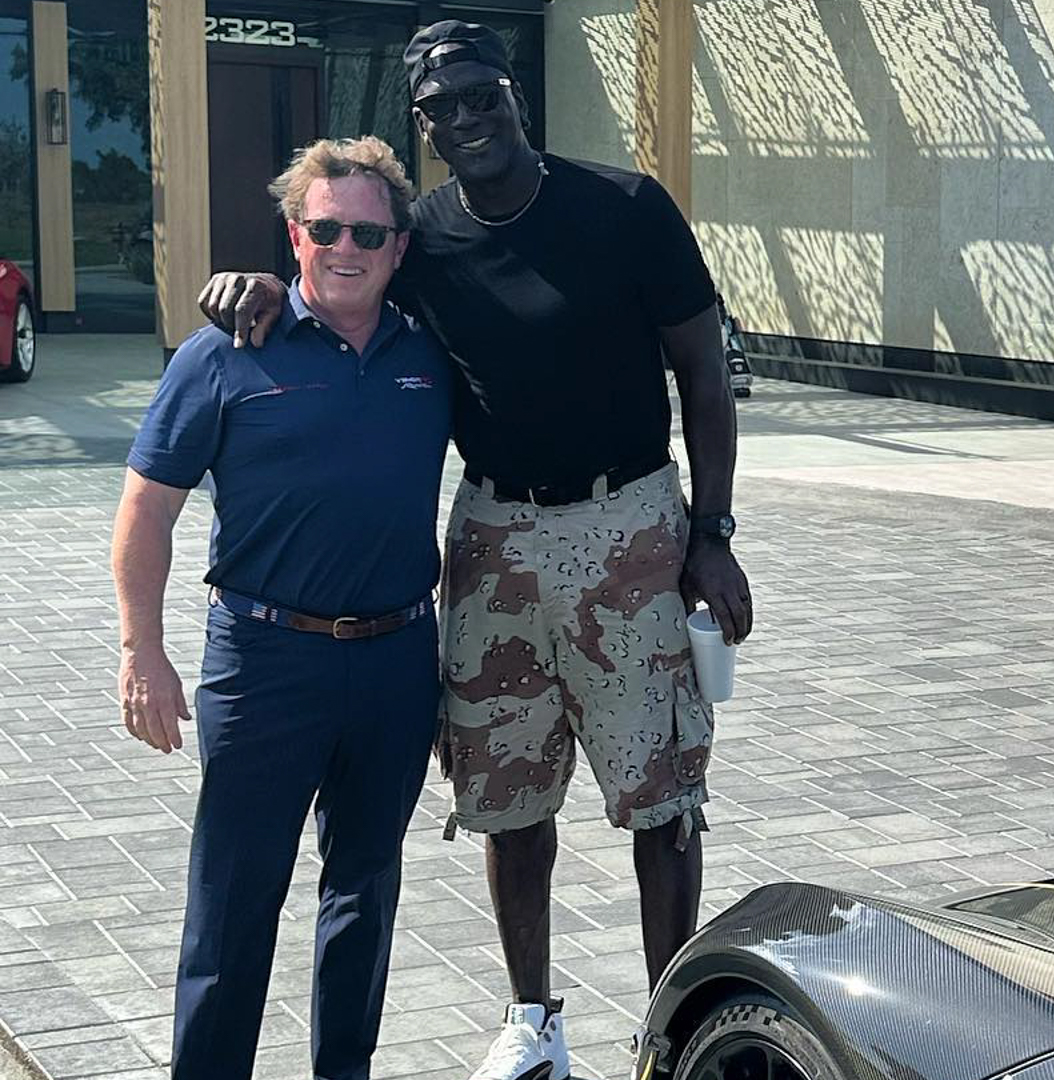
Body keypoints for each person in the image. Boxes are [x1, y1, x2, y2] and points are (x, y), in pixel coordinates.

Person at [199, 20, 754, 1080]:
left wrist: (712, 533)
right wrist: (270, 289)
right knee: (508, 795)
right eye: (441, 106)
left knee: (661, 798)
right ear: (424, 125)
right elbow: (344, 285)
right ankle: (533, 1020)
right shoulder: (422, 238)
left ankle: (670, 1030)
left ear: (515, 96)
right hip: (493, 537)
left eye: (481, 95)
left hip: (630, 526)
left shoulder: (627, 207)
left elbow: (704, 373)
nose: (466, 117)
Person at [115, 137, 449, 1080]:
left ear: (398, 248)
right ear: (294, 235)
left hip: (395, 660)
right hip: (264, 664)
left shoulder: (432, 353)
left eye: (369, 234)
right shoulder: (224, 353)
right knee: (234, 900)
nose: (347, 249)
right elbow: (146, 507)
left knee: (365, 893)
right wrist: (142, 650)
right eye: (326, 229)